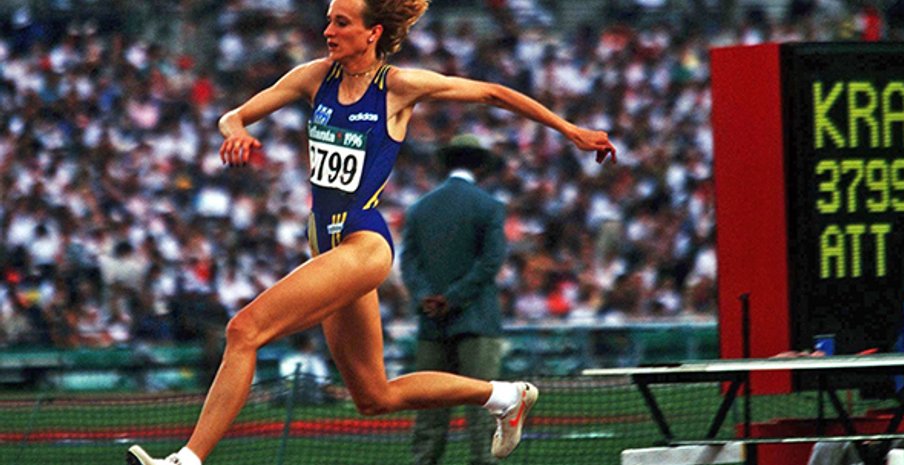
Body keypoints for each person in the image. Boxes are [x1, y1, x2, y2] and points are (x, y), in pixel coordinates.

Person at [127, 1, 614, 464]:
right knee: (374, 396)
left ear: (372, 33)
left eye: (341, 23)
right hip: (326, 247)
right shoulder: (314, 77)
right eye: (328, 20)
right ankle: (504, 397)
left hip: (363, 242)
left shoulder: (397, 87)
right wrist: (234, 130)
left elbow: (492, 93)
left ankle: (187, 458)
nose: (328, 31)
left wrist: (570, 130)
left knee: (243, 330)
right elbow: (232, 115)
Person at [401, 134, 508, 465]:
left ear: (446, 164)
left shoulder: (419, 208)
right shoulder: (489, 206)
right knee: (483, 408)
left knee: (429, 411)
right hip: (476, 320)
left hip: (431, 323)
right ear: (480, 166)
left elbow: (408, 262)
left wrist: (427, 298)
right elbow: (490, 262)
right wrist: (454, 298)